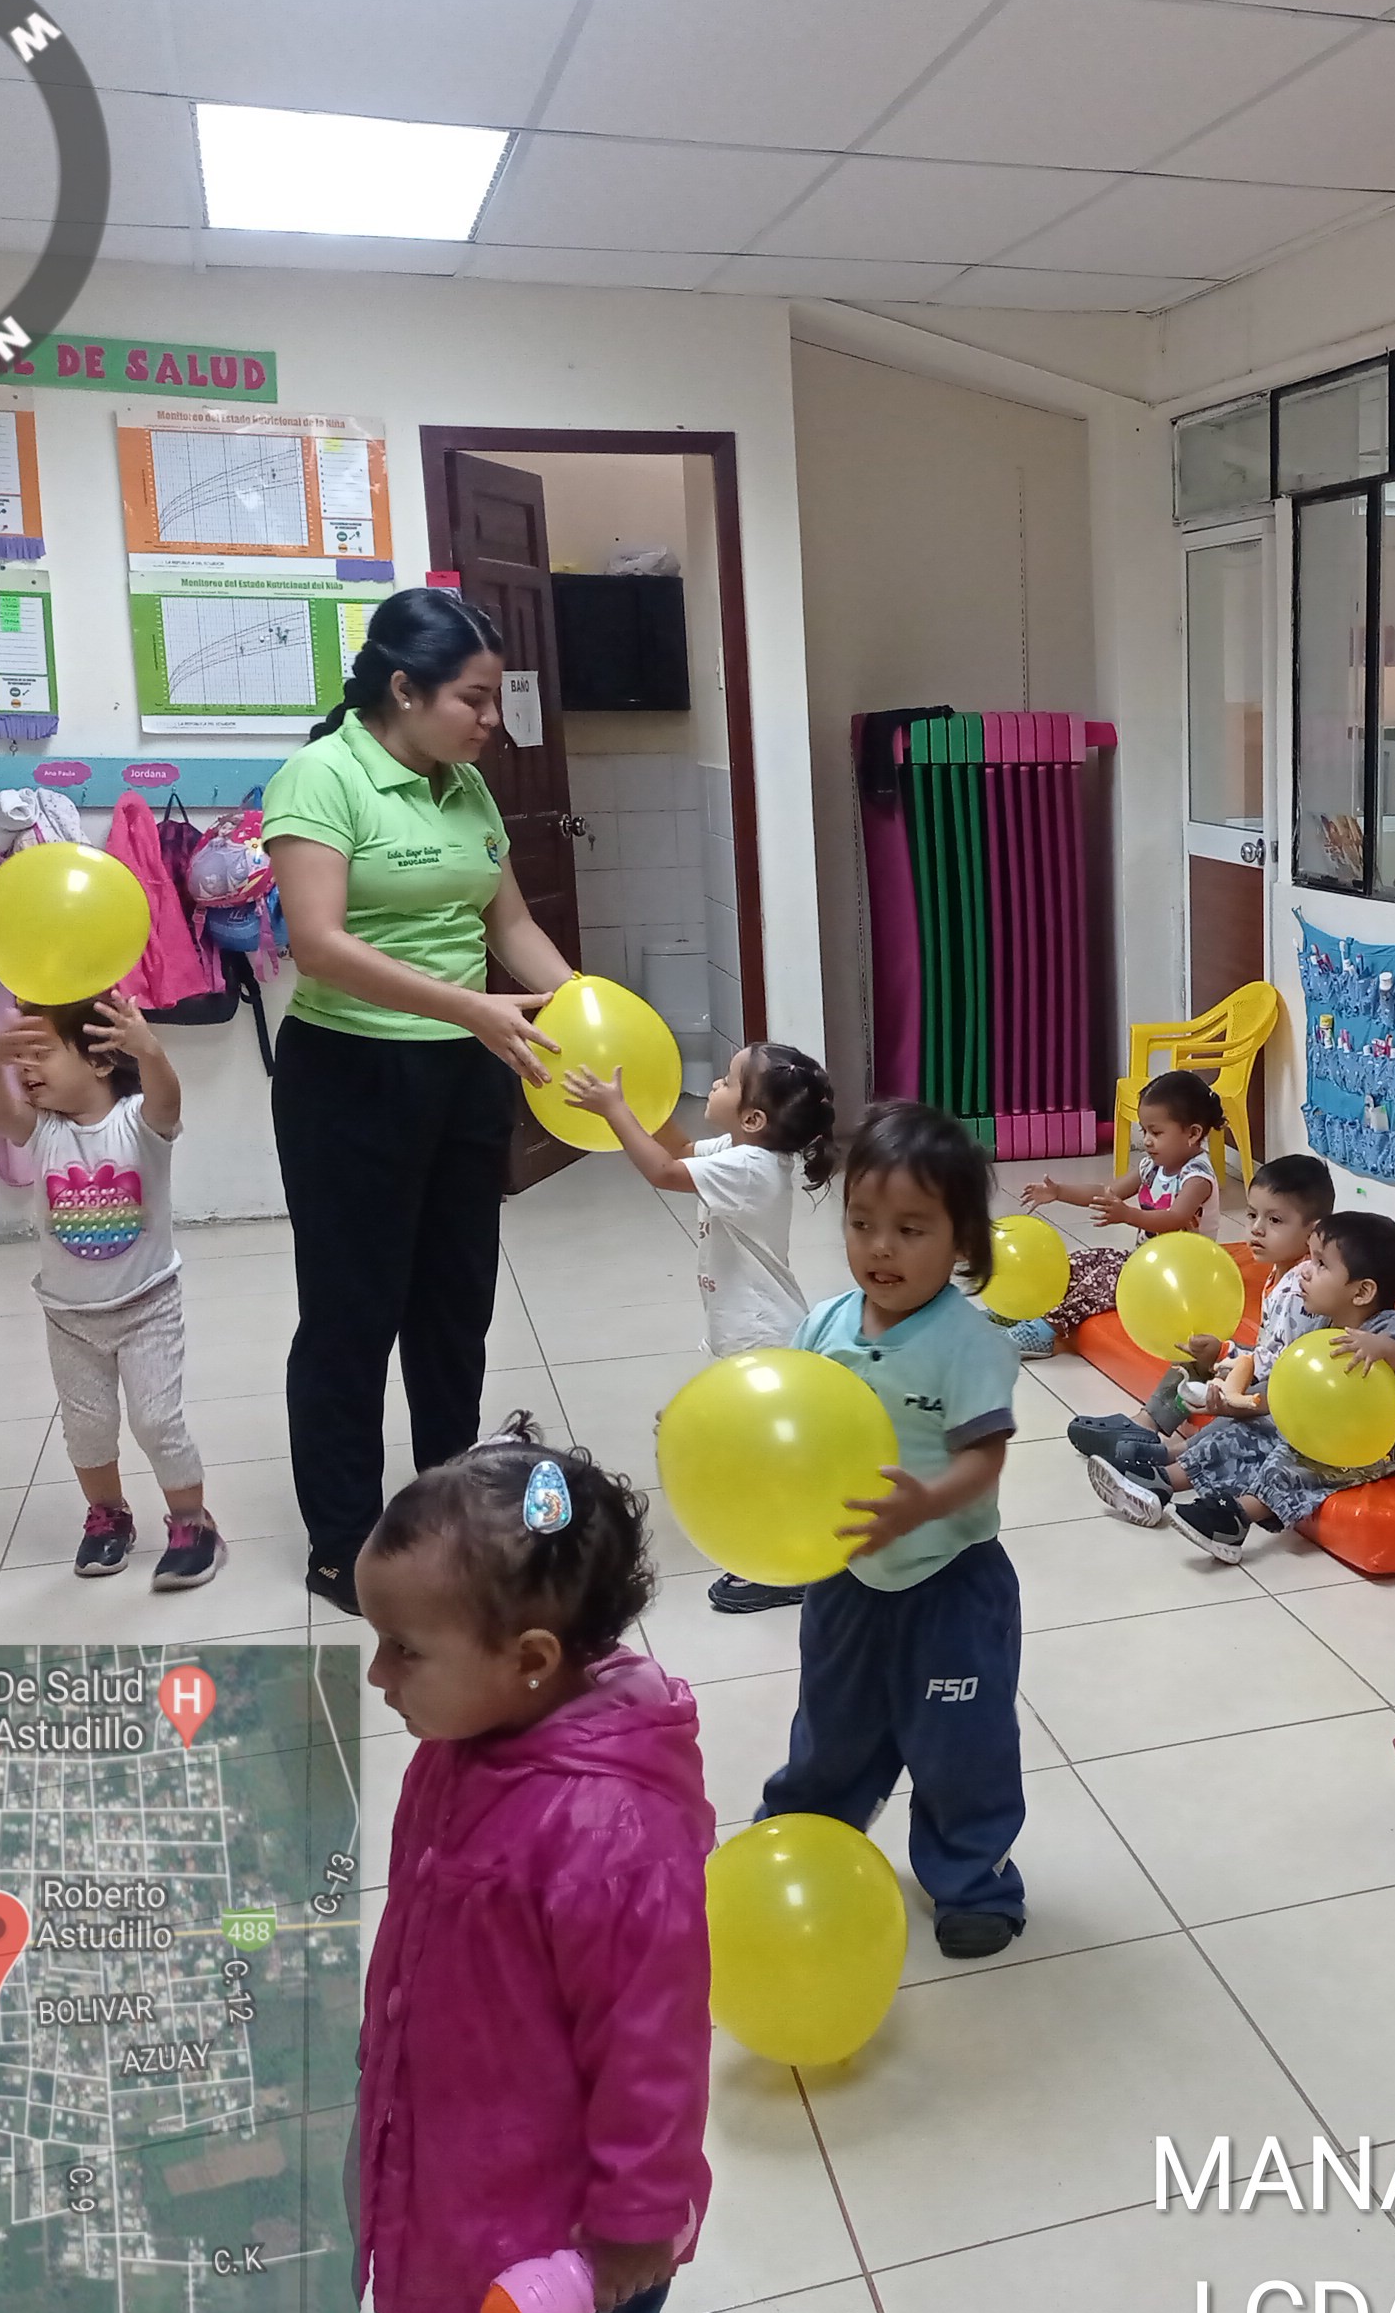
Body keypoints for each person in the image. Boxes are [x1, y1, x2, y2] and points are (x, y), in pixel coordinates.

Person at [352, 1419, 713, 2313]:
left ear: (531, 1659)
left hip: (577, 2243)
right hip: (492, 2161)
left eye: (403, 1649)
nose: (378, 1674)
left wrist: (635, 2221)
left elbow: (652, 2046)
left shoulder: (611, 1837)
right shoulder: (466, 1746)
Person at [264, 589, 576, 1613]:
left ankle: (448, 1510)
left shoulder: (466, 786)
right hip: (349, 1075)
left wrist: (586, 1008)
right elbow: (319, 945)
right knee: (352, 1314)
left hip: (462, 1073)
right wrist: (470, 1006)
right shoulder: (323, 775)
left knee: (454, 1306)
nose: (491, 721)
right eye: (472, 700)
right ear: (405, 688)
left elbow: (509, 923)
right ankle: (341, 1544)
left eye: (493, 700)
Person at [761, 1103, 1030, 1958]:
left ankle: (973, 1880)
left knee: (961, 1743)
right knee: (830, 1724)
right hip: (846, 1577)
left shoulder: (967, 1343)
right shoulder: (824, 1327)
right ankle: (805, 1841)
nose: (881, 1248)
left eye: (911, 1230)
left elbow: (984, 1459)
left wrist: (927, 1502)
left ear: (960, 1243)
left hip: (950, 1580)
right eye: (862, 1224)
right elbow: (790, 1423)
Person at [562, 1039, 843, 1619]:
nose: (715, 1084)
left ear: (753, 1118)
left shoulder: (752, 1168)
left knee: (760, 1451)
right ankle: (779, 1538)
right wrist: (648, 1100)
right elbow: (683, 1149)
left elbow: (664, 1171)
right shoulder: (741, 1148)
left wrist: (615, 1111)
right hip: (745, 1328)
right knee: (750, 1442)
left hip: (759, 1334)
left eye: (728, 1080)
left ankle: (787, 1564)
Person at [0, 995, 225, 1589]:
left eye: (42, 1054)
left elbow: (168, 1101)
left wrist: (150, 1050)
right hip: (69, 1317)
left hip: (147, 1307)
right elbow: (0, 1115)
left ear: (101, 1061)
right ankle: (108, 1516)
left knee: (157, 1421)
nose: (27, 1068)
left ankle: (193, 1525)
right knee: (87, 1429)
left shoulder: (139, 1121)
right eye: (22, 1057)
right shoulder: (42, 1130)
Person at [1084, 1208, 1395, 1566]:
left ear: (1362, 1291)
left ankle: (1235, 1520)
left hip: (1378, 1447)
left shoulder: (1388, 1329)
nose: (1305, 1270)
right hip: (1312, 1423)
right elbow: (1287, 1385)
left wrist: (1387, 1350)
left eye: (1320, 1264)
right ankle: (1164, 1482)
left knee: (1294, 1459)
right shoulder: (1322, 1325)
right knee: (1245, 1432)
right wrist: (1237, 1405)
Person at [1068, 1150, 1331, 1491]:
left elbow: (1284, 1369)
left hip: (1286, 1386)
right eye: (1253, 1215)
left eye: (1275, 1221)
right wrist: (1222, 1353)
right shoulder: (1283, 1271)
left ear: (1314, 1233)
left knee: (1233, 1390)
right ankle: (1145, 1425)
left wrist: (1227, 1359)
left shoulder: (1301, 1287)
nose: (1257, 1229)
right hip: (1269, 1367)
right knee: (1196, 1356)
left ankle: (1171, 1453)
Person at [1005, 1069, 1222, 1357]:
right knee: (1079, 1263)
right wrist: (1059, 1192)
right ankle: (1024, 1311)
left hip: (1183, 1279)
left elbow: (1175, 1218)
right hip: (1147, 1264)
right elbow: (1106, 1191)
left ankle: (1044, 1332)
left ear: (1193, 1134)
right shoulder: (1152, 1166)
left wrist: (1128, 1215)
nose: (1147, 1141)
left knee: (1105, 1277)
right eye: (1144, 1131)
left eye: (1157, 1133)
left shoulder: (1197, 1178)